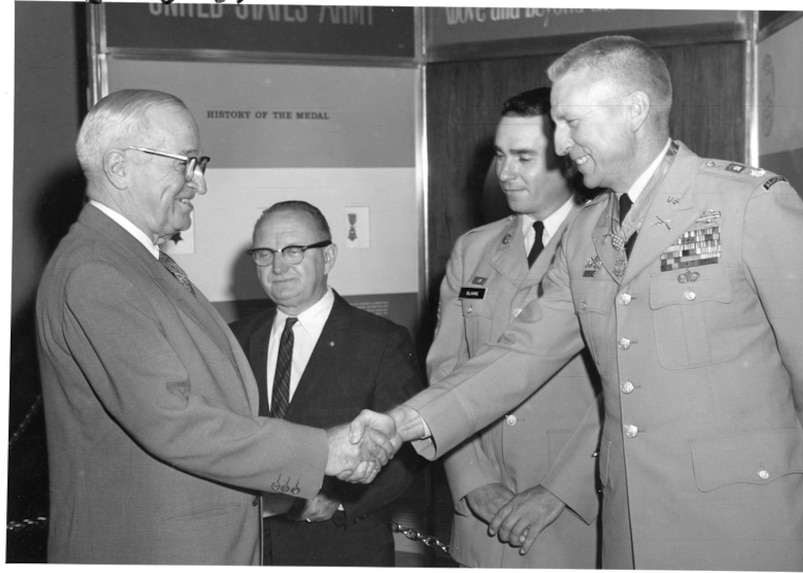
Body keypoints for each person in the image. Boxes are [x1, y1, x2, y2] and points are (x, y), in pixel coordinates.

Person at [369, 35, 803, 571]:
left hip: (747, 528)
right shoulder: (588, 229)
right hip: (627, 530)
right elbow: (520, 354)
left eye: (571, 122)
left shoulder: (748, 204)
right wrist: (402, 423)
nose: (560, 144)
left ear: (634, 110)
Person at [35, 89, 395, 565]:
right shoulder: (97, 271)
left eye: (197, 162)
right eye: (183, 163)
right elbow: (172, 418)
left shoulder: (133, 263)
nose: (198, 183)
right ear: (119, 167)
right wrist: (320, 452)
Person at [426, 87, 600, 568]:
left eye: (524, 157)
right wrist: (470, 478)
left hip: (576, 514)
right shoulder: (473, 249)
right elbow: (447, 369)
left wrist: (559, 492)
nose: (504, 173)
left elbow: (627, 392)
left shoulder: (611, 245)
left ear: (568, 158)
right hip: (483, 517)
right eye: (500, 156)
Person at [230, 200, 424, 566]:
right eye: (264, 253)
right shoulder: (234, 339)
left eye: (294, 250)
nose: (278, 266)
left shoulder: (381, 341)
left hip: (341, 548)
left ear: (329, 256)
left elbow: (410, 452)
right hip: (251, 551)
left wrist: (337, 499)